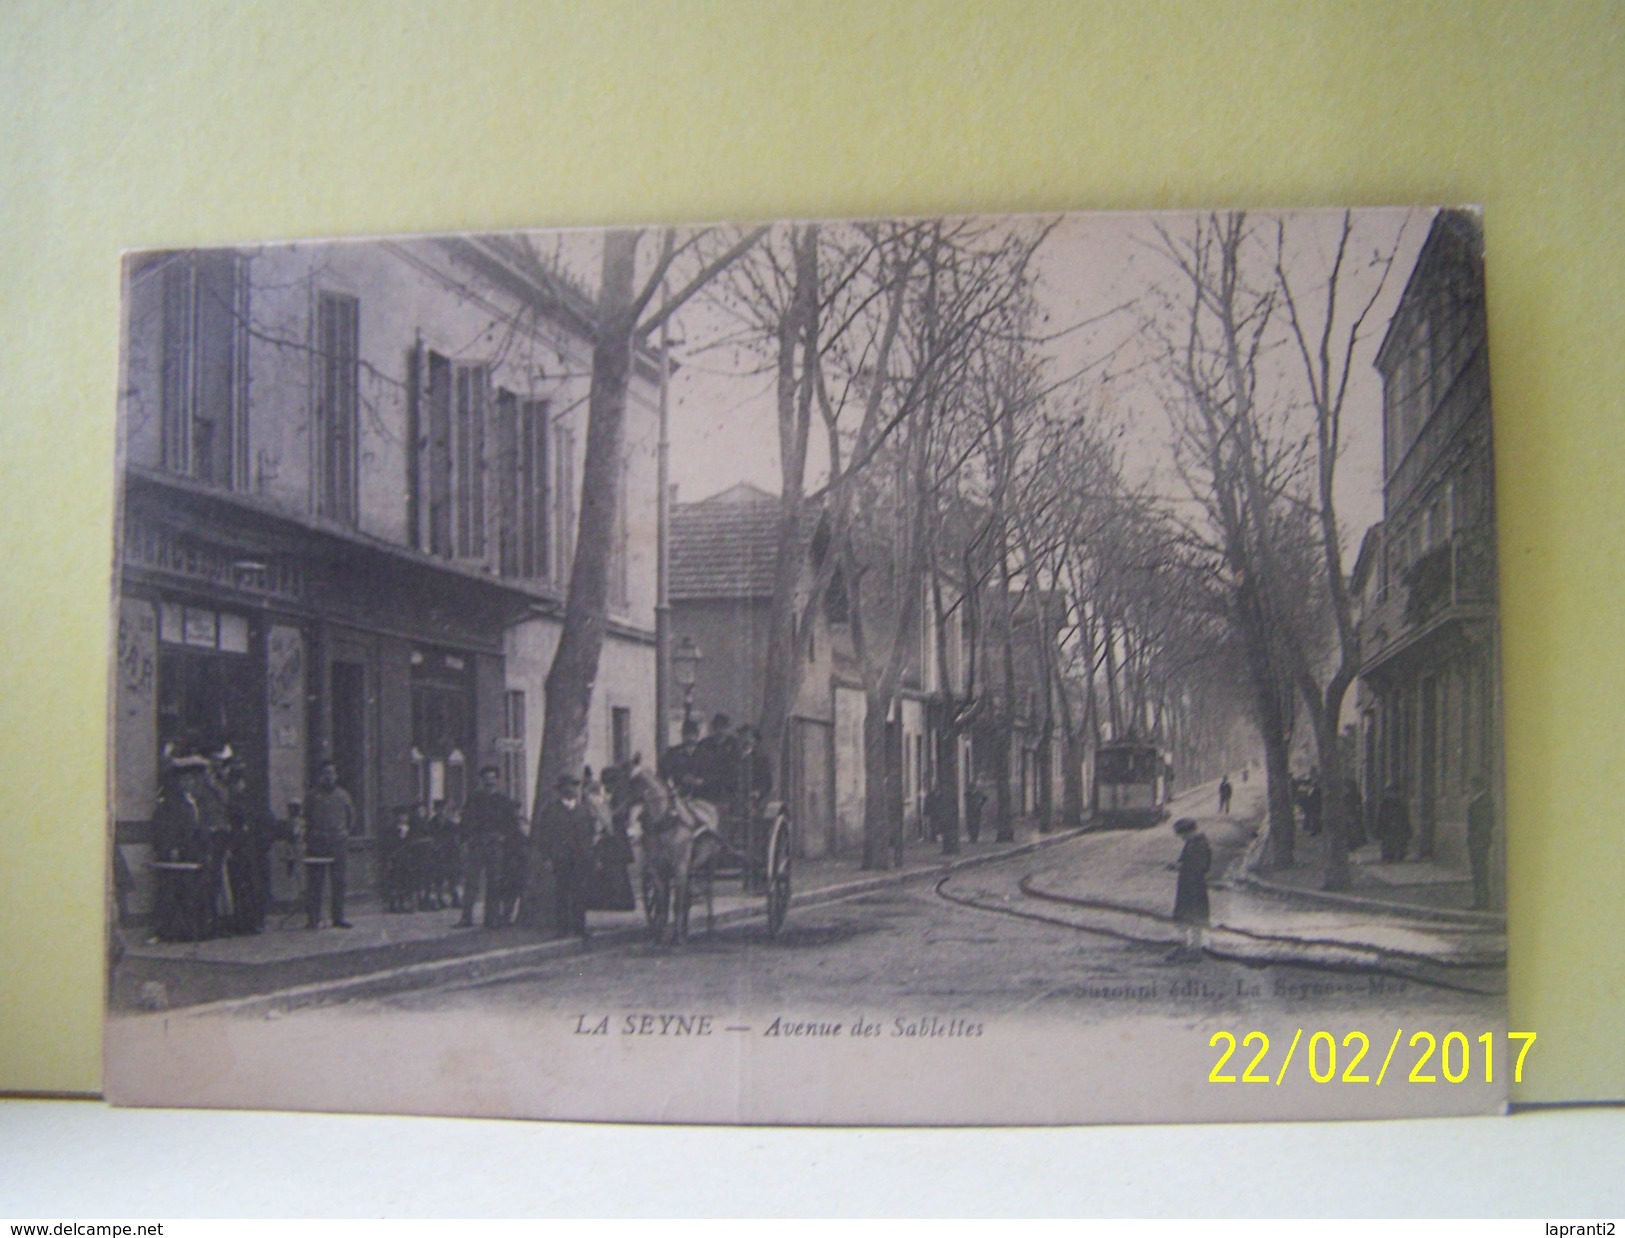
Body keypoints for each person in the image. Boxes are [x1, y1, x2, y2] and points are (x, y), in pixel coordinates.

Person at [149, 756, 211, 942]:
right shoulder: (170, 804)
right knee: (171, 894)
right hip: (177, 855)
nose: (188, 783)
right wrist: (170, 848)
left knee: (193, 893)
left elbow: (201, 827)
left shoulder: (197, 802)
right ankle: (167, 931)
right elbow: (162, 828)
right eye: (184, 780)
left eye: (191, 779)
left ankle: (192, 931)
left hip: (194, 853)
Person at [459, 765, 523, 928]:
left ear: (497, 780)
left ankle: (491, 917)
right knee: (472, 881)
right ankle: (466, 917)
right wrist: (467, 839)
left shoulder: (504, 802)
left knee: (494, 882)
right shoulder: (474, 800)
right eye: (486, 778)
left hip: (496, 845)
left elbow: (512, 825)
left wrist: (503, 838)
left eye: (493, 778)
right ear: (481, 780)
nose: (489, 781)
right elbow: (465, 821)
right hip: (477, 844)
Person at [542, 773, 597, 937]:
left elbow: (590, 834)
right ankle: (563, 929)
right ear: (560, 791)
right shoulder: (551, 811)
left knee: (580, 893)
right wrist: (546, 858)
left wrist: (590, 855)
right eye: (566, 787)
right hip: (560, 857)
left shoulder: (583, 810)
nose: (570, 790)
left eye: (573, 786)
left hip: (581, 858)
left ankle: (580, 927)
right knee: (562, 893)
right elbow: (544, 836)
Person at [303, 760, 356, 929]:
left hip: (338, 842)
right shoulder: (312, 796)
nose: (329, 777)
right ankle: (313, 918)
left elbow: (351, 817)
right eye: (325, 773)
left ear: (336, 776)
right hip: (318, 842)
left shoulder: (343, 796)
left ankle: (338, 917)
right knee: (316, 882)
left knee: (339, 881)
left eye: (332, 773)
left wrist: (345, 833)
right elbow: (306, 818)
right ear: (320, 776)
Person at [1168, 817, 1212, 961]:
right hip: (1188, 884)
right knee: (1186, 914)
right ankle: (1187, 946)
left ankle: (1195, 948)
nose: (1181, 838)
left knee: (1194, 914)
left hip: (1194, 885)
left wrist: (1181, 866)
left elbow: (1201, 866)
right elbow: (1185, 860)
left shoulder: (1199, 844)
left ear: (1189, 832)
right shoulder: (1193, 843)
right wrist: (1178, 865)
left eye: (1182, 835)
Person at [1466, 776, 1495, 909]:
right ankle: (1480, 901)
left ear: (1477, 787)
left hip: (1479, 842)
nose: (1471, 789)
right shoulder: (1480, 801)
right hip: (1477, 842)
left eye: (1472, 786)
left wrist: (1478, 839)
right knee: (1478, 872)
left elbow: (1485, 823)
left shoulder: (1483, 802)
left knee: (1480, 872)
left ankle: (1482, 902)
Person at [1376, 782, 1411, 863]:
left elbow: (1404, 817)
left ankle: (1399, 854)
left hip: (1398, 827)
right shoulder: (1384, 804)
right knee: (1387, 842)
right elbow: (1380, 817)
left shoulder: (1400, 804)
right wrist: (1379, 829)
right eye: (1390, 792)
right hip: (1387, 827)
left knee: (1398, 841)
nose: (1392, 794)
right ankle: (1388, 856)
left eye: (1394, 792)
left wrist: (1407, 829)